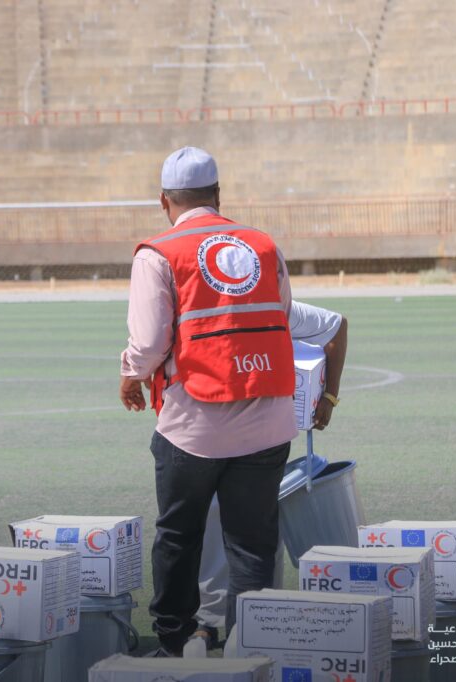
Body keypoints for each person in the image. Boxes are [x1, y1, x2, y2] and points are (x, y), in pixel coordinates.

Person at [120, 146, 299, 656]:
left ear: (164, 201)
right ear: (218, 195)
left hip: (194, 425)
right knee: (252, 541)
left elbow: (150, 342)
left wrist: (130, 374)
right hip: (267, 420)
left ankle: (176, 639)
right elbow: (281, 312)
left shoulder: (158, 253)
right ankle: (253, 641)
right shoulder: (264, 245)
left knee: (179, 534)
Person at [196, 300, 348, 647]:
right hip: (209, 428)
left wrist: (329, 396)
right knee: (212, 519)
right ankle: (211, 618)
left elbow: (338, 326)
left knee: (258, 525)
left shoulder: (277, 305)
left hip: (264, 433)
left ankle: (259, 616)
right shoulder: (201, 307)